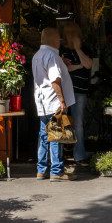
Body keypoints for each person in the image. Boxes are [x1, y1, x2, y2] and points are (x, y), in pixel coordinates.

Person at [32, 27, 76, 181]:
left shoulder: (38, 55)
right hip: (53, 102)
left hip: (42, 101)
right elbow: (55, 81)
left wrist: (61, 63)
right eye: (58, 39)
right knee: (56, 135)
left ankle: (41, 170)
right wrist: (62, 101)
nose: (60, 42)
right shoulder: (52, 55)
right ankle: (56, 171)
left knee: (44, 135)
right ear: (53, 40)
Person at [60, 22, 94, 166]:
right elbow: (64, 70)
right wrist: (79, 65)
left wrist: (78, 50)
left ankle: (79, 157)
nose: (70, 36)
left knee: (78, 124)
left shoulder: (85, 50)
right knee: (61, 123)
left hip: (80, 92)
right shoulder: (61, 50)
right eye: (68, 33)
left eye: (73, 33)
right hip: (64, 92)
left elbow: (89, 64)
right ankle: (58, 158)